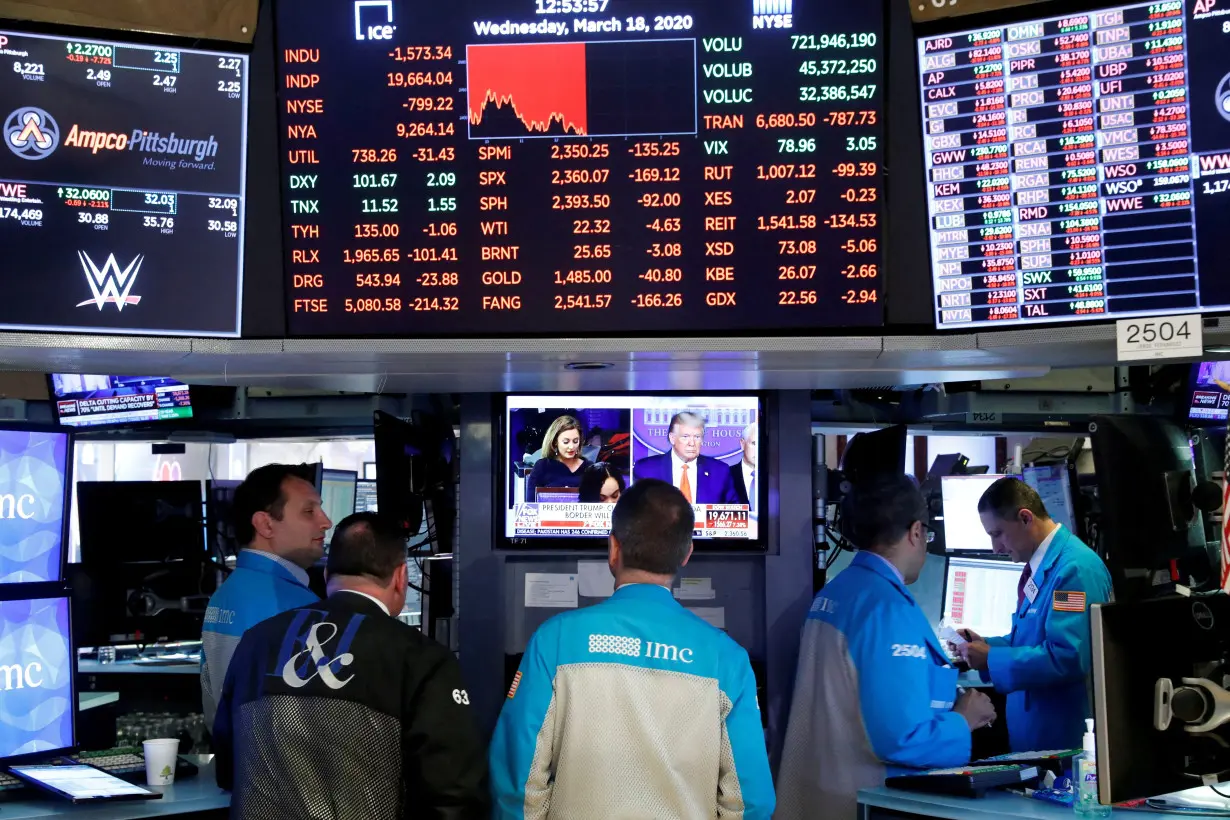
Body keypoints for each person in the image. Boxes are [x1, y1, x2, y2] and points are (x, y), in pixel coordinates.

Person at [489, 479, 775, 819]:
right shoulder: (728, 660)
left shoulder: (555, 641)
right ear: (686, 554)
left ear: (613, 548)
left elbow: (516, 784)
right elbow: (750, 801)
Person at [214, 512, 489, 819]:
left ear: (327, 571)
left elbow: (227, 768)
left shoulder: (256, 641)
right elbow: (452, 794)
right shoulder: (421, 657)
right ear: (400, 577)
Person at [776, 475, 996, 819]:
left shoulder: (837, 592)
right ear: (916, 532)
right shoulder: (886, 609)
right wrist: (965, 719)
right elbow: (901, 739)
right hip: (867, 800)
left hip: (822, 791)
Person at [955, 476, 1112, 752]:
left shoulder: (1075, 569)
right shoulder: (1041, 567)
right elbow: (1029, 639)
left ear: (1026, 518)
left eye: (997, 534)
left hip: (1064, 743)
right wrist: (986, 645)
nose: (996, 549)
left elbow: (1067, 657)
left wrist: (992, 658)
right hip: (1035, 738)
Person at [201, 463, 330, 732]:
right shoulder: (296, 606)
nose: (326, 521)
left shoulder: (223, 596)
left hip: (236, 767)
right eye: (309, 511)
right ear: (265, 524)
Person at [633, 412, 740, 505]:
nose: (692, 443)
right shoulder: (646, 469)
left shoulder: (720, 471)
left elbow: (735, 513)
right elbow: (636, 511)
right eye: (685, 437)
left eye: (697, 437)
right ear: (672, 438)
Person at [525, 415, 592, 502]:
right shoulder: (542, 467)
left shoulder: (589, 468)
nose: (571, 446)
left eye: (575, 441)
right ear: (555, 442)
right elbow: (531, 505)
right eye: (566, 442)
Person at [730, 422, 757, 513]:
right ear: (742, 444)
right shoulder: (726, 476)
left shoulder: (775, 478)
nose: (758, 450)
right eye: (754, 443)